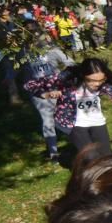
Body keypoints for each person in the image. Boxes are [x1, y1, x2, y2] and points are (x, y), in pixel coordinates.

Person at [23, 57, 112, 158]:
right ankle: (88, 175)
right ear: (82, 75)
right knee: (91, 157)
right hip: (75, 124)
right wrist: (45, 94)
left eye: (101, 80)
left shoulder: (102, 84)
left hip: (97, 122)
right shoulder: (66, 79)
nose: (97, 84)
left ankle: (106, 176)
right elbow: (29, 85)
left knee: (106, 155)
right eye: (91, 80)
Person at [19, 24, 73, 160]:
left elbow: (71, 63)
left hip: (58, 87)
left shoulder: (52, 50)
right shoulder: (23, 53)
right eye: (30, 38)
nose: (36, 40)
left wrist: (64, 76)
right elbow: (22, 74)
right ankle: (53, 153)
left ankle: (77, 144)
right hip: (39, 92)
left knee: (66, 116)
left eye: (37, 36)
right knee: (47, 120)